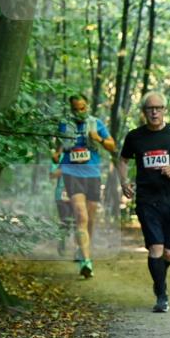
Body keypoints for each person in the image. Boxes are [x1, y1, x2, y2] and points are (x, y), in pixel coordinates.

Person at [117, 92, 170, 313]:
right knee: (156, 248)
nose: (154, 112)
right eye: (150, 109)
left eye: (158, 108)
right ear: (143, 112)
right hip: (146, 200)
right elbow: (123, 160)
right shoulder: (135, 136)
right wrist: (124, 181)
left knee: (169, 253)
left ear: (164, 110)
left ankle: (158, 275)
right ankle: (161, 295)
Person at [54, 94, 115, 278]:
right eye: (75, 109)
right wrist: (56, 156)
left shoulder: (96, 123)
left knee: (90, 218)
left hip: (93, 174)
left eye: (82, 108)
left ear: (87, 106)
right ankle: (86, 262)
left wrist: (98, 139)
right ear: (70, 109)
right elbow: (59, 148)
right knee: (81, 215)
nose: (80, 112)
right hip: (71, 173)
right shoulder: (65, 125)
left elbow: (112, 146)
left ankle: (82, 249)